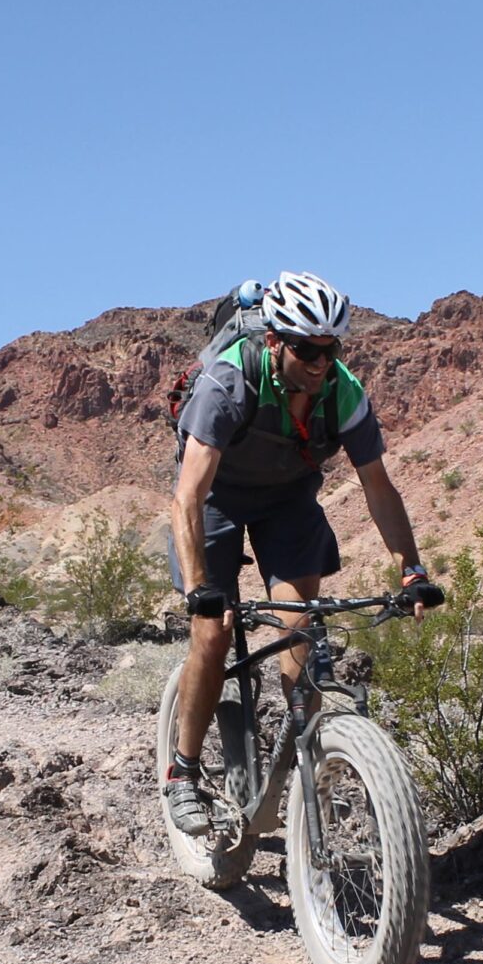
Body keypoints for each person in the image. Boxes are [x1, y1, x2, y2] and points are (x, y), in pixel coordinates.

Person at [163, 271, 439, 835]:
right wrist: (199, 589)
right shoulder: (228, 382)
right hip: (216, 498)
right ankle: (183, 774)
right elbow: (187, 496)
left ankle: (308, 778)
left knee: (303, 633)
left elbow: (378, 486)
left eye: (331, 348)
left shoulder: (343, 392)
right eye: (306, 349)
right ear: (274, 342)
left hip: (287, 502)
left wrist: (411, 569)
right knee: (212, 637)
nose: (320, 361)